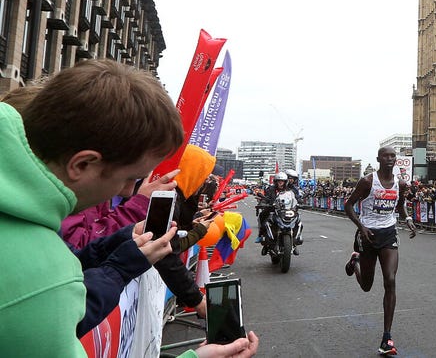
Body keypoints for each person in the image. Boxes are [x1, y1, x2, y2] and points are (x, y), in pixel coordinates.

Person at [0, 59, 258, 357]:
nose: (127, 192)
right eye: (130, 178)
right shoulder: (43, 278)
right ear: (82, 164)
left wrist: (117, 242)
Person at [343, 146, 417, 356]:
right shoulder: (368, 181)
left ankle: (387, 337)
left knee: (390, 280)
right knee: (366, 286)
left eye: (393, 156)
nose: (390, 159)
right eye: (386, 156)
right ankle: (355, 262)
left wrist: (409, 219)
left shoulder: (400, 184)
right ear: (378, 159)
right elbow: (348, 206)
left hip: (388, 234)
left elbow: (401, 206)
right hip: (368, 235)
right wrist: (361, 227)